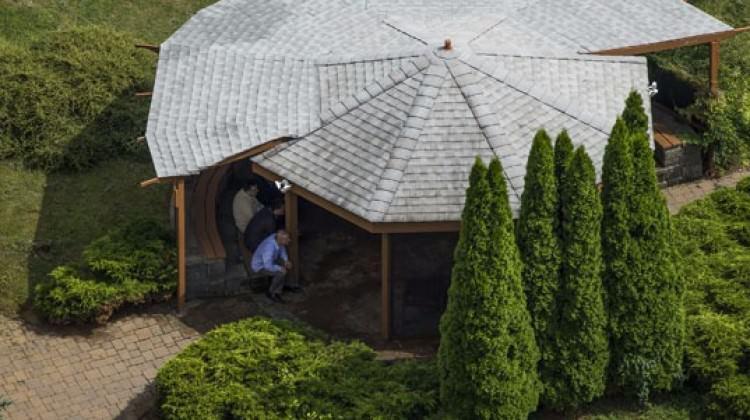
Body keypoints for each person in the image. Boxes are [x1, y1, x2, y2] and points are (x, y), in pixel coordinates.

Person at [250, 230, 301, 302]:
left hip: (272, 260)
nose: (290, 240)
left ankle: (282, 288)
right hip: (260, 266)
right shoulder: (269, 248)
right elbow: (267, 265)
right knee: (281, 273)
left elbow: (282, 249)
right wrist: (280, 268)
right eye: (287, 239)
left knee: (287, 265)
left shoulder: (277, 238)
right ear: (281, 240)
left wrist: (286, 261)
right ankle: (271, 292)